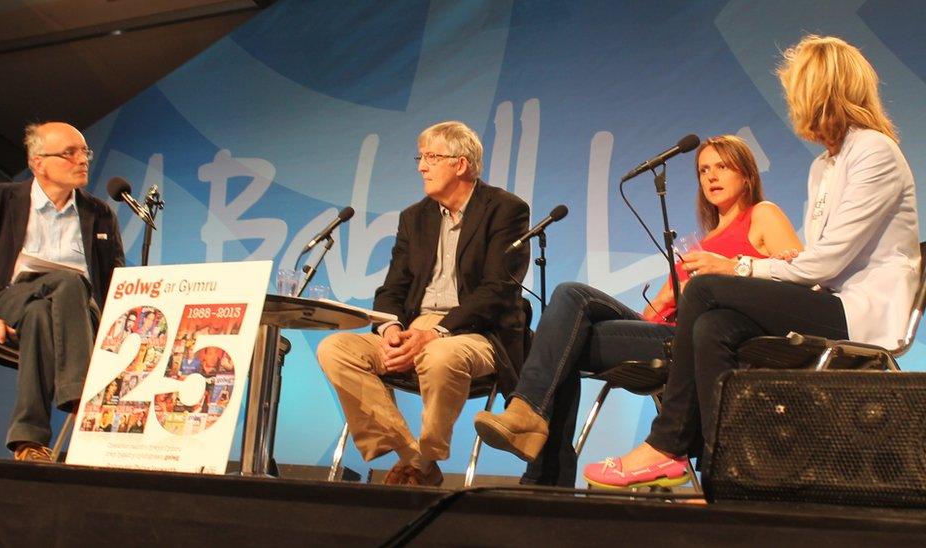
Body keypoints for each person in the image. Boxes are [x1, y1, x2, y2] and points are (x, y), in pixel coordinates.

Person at [582, 35, 919, 489]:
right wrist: (786, 264)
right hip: (827, 297)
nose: (791, 101)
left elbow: (825, 264)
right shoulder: (825, 165)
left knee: (703, 289)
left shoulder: (874, 151)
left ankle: (667, 445)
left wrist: (742, 266)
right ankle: (729, 469)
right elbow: (818, 259)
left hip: (859, 312)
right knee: (711, 326)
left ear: (820, 90)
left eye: (796, 88)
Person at [474, 135, 802, 486]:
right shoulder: (703, 241)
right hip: (667, 332)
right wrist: (638, 323)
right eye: (704, 170)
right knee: (564, 335)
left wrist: (731, 268)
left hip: (704, 340)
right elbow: (661, 304)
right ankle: (533, 443)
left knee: (570, 306)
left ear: (747, 175)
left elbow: (797, 280)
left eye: (722, 167)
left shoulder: (762, 215)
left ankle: (534, 442)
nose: (711, 177)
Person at [317, 121, 530, 487]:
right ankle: (414, 459)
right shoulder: (414, 218)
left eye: (431, 157)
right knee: (336, 348)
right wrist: (392, 330)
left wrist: (436, 332)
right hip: (414, 328)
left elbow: (498, 291)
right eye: (422, 157)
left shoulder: (506, 210)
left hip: (476, 333)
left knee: (441, 355)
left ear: (460, 164)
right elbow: (392, 289)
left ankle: (427, 457)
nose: (421, 166)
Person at [0, 121, 125, 461]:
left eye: (84, 152)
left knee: (43, 313)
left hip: (79, 312)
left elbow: (116, 282)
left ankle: (28, 442)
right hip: (10, 298)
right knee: (66, 282)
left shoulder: (99, 214)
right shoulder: (0, 199)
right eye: (70, 153)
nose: (82, 160)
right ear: (38, 163)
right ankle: (81, 396)